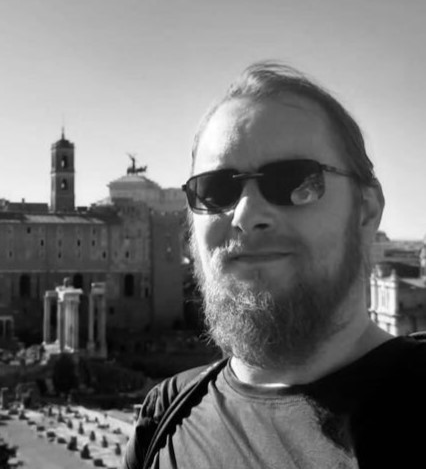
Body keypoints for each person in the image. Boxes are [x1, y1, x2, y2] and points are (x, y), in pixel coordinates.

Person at [123, 61, 426, 468]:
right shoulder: (163, 422)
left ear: (366, 211)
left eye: (294, 181)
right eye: (215, 190)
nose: (246, 215)